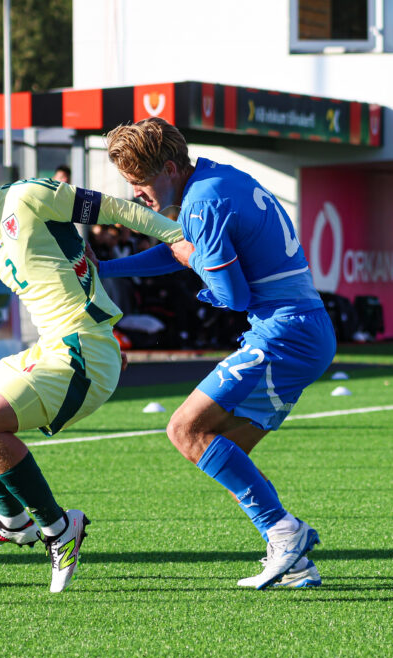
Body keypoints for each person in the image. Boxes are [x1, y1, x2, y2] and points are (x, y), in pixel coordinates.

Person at [0, 151, 182, 592]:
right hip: (56, 347)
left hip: (79, 353)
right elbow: (71, 267)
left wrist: (178, 235)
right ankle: (13, 521)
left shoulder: (28, 197)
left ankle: (58, 530)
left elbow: (113, 209)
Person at [97, 118, 334, 590]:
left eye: (141, 184)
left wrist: (196, 266)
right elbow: (177, 249)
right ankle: (293, 558)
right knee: (228, 453)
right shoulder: (213, 177)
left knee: (184, 429)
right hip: (306, 328)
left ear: (167, 168)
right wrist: (104, 267)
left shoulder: (203, 202)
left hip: (283, 333)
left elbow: (233, 296)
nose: (140, 195)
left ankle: (285, 534)